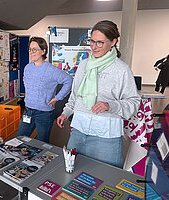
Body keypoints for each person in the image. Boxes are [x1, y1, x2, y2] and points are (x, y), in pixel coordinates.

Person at [57, 20, 141, 168]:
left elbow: (134, 102)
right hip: (78, 132)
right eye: (92, 41)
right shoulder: (83, 65)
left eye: (100, 43)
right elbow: (75, 96)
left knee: (106, 182)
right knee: (72, 177)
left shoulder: (121, 70)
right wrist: (66, 113)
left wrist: (111, 105)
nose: (94, 47)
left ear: (113, 41)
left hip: (106, 138)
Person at [17, 37, 73, 143]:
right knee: (20, 139)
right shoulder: (27, 68)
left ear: (43, 51)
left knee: (42, 143)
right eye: (30, 49)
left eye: (35, 49)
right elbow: (27, 84)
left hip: (44, 113)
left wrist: (57, 98)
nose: (31, 52)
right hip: (28, 111)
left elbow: (68, 81)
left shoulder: (51, 70)